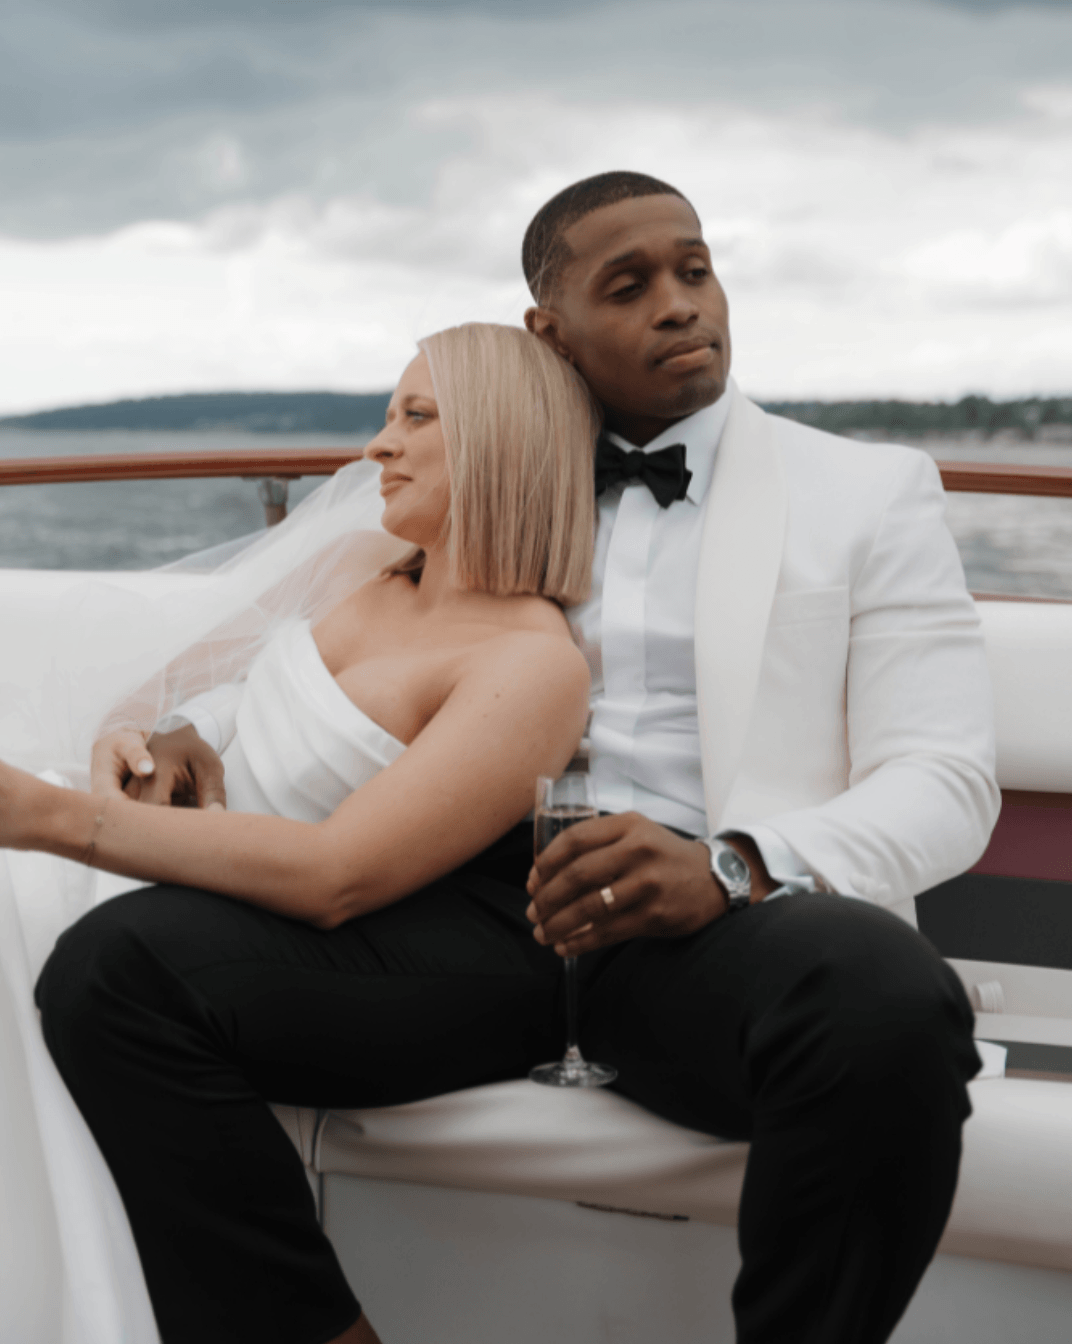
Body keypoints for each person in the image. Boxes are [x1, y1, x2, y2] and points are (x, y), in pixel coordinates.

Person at [22, 171, 996, 1344]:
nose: (681, 305)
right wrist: (199, 727)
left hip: (712, 928)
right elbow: (349, 641)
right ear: (550, 330)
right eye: (628, 286)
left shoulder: (866, 492)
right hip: (462, 910)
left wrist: (735, 866)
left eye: (694, 269)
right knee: (114, 971)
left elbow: (945, 781)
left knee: (886, 1004)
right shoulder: (491, 469)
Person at [1, 321, 599, 1344]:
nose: (377, 445)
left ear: (501, 441)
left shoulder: (530, 665)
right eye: (384, 415)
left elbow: (337, 875)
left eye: (415, 417)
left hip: (350, 936)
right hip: (193, 872)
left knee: (69, 952)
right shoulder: (363, 565)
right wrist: (146, 739)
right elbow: (158, 689)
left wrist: (55, 819)